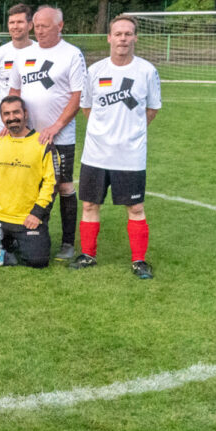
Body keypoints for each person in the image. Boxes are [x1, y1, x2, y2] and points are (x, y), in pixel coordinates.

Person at [70, 14, 162, 279]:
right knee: (89, 205)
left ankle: (139, 261)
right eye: (118, 34)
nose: (123, 38)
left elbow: (152, 109)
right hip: (96, 154)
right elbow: (87, 107)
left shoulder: (146, 71)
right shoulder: (96, 71)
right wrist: (105, 131)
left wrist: (130, 132)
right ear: (109, 38)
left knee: (135, 208)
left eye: (128, 34)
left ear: (135, 38)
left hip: (130, 155)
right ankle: (88, 255)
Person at [8, 5, 86, 260]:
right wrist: (9, 126)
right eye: (37, 26)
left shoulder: (72, 55)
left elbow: (77, 96)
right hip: (29, 137)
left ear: (60, 26)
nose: (39, 31)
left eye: (45, 26)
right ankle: (31, 236)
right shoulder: (24, 55)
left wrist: (56, 126)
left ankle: (67, 242)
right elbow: (14, 93)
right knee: (30, 185)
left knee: (63, 186)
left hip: (59, 137)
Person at [0, 96, 57, 268]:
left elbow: (51, 183)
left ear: (25, 114)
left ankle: (8, 248)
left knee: (37, 261)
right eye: (6, 114)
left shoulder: (43, 144)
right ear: (2, 118)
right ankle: (6, 246)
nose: (12, 117)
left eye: (16, 112)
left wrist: (37, 213)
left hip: (27, 219)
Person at [0, 4, 34, 134]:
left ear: (30, 25)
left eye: (20, 22)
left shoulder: (40, 52)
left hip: (33, 122)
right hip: (4, 124)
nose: (15, 26)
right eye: (12, 22)